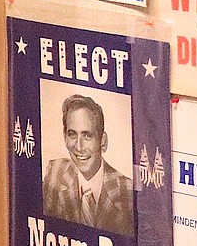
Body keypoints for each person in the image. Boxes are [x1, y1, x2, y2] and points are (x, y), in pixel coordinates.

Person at [43, 94, 134, 237]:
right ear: (65, 137)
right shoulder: (55, 172)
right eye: (72, 135)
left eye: (87, 136)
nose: (79, 147)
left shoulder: (127, 191)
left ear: (102, 141)